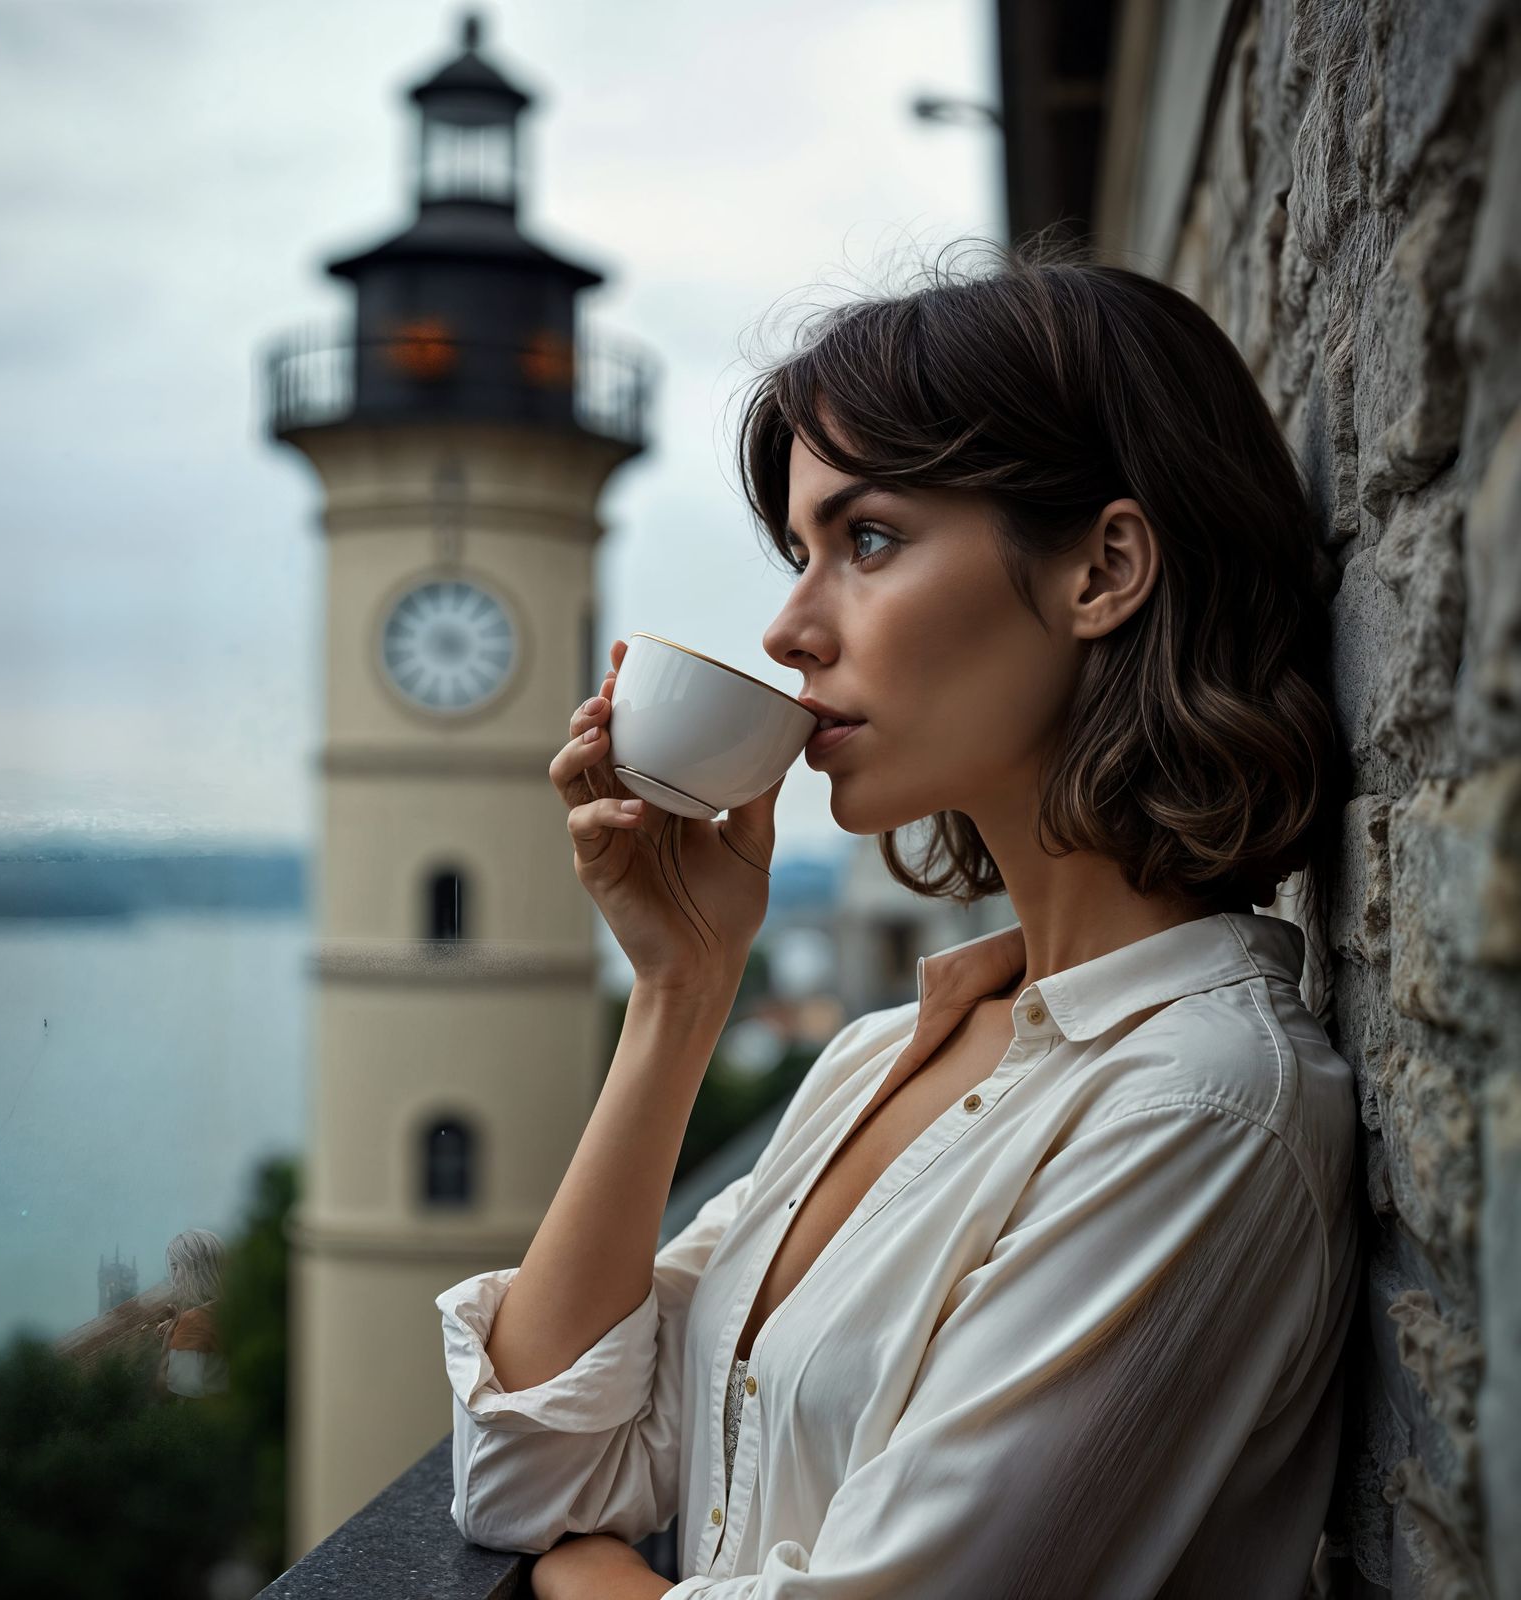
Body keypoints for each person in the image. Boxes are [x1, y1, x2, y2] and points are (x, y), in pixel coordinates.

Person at [434, 237, 1360, 1598]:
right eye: (798, 553)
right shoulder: (881, 1057)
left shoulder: (1198, 1109)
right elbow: (527, 1474)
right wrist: (681, 991)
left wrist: (582, 1579)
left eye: (866, 539)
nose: (789, 630)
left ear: (1103, 570)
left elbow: (562, 1527)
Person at [155, 1228, 230, 1400]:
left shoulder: (194, 1320)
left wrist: (168, 1344)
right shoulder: (235, 1307)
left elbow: (172, 1391)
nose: (172, 1278)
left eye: (175, 1267)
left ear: (194, 1269)